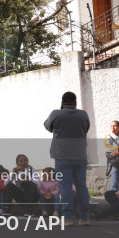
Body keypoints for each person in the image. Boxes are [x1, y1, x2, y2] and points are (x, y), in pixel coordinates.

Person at [44, 91, 91, 226]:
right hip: (80, 155)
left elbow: (48, 126)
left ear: (62, 102)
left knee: (65, 187)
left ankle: (67, 218)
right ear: (75, 102)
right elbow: (86, 128)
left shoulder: (55, 114)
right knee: (82, 186)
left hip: (62, 156)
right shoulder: (83, 114)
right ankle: (85, 217)